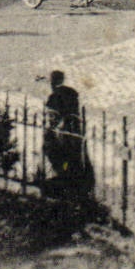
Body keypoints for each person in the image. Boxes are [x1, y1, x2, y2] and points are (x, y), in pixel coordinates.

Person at [42, 69, 92, 200]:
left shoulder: (55, 96)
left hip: (64, 133)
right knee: (74, 159)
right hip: (74, 132)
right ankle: (75, 182)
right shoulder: (71, 94)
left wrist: (51, 130)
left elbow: (54, 117)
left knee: (63, 159)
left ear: (53, 81)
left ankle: (67, 182)